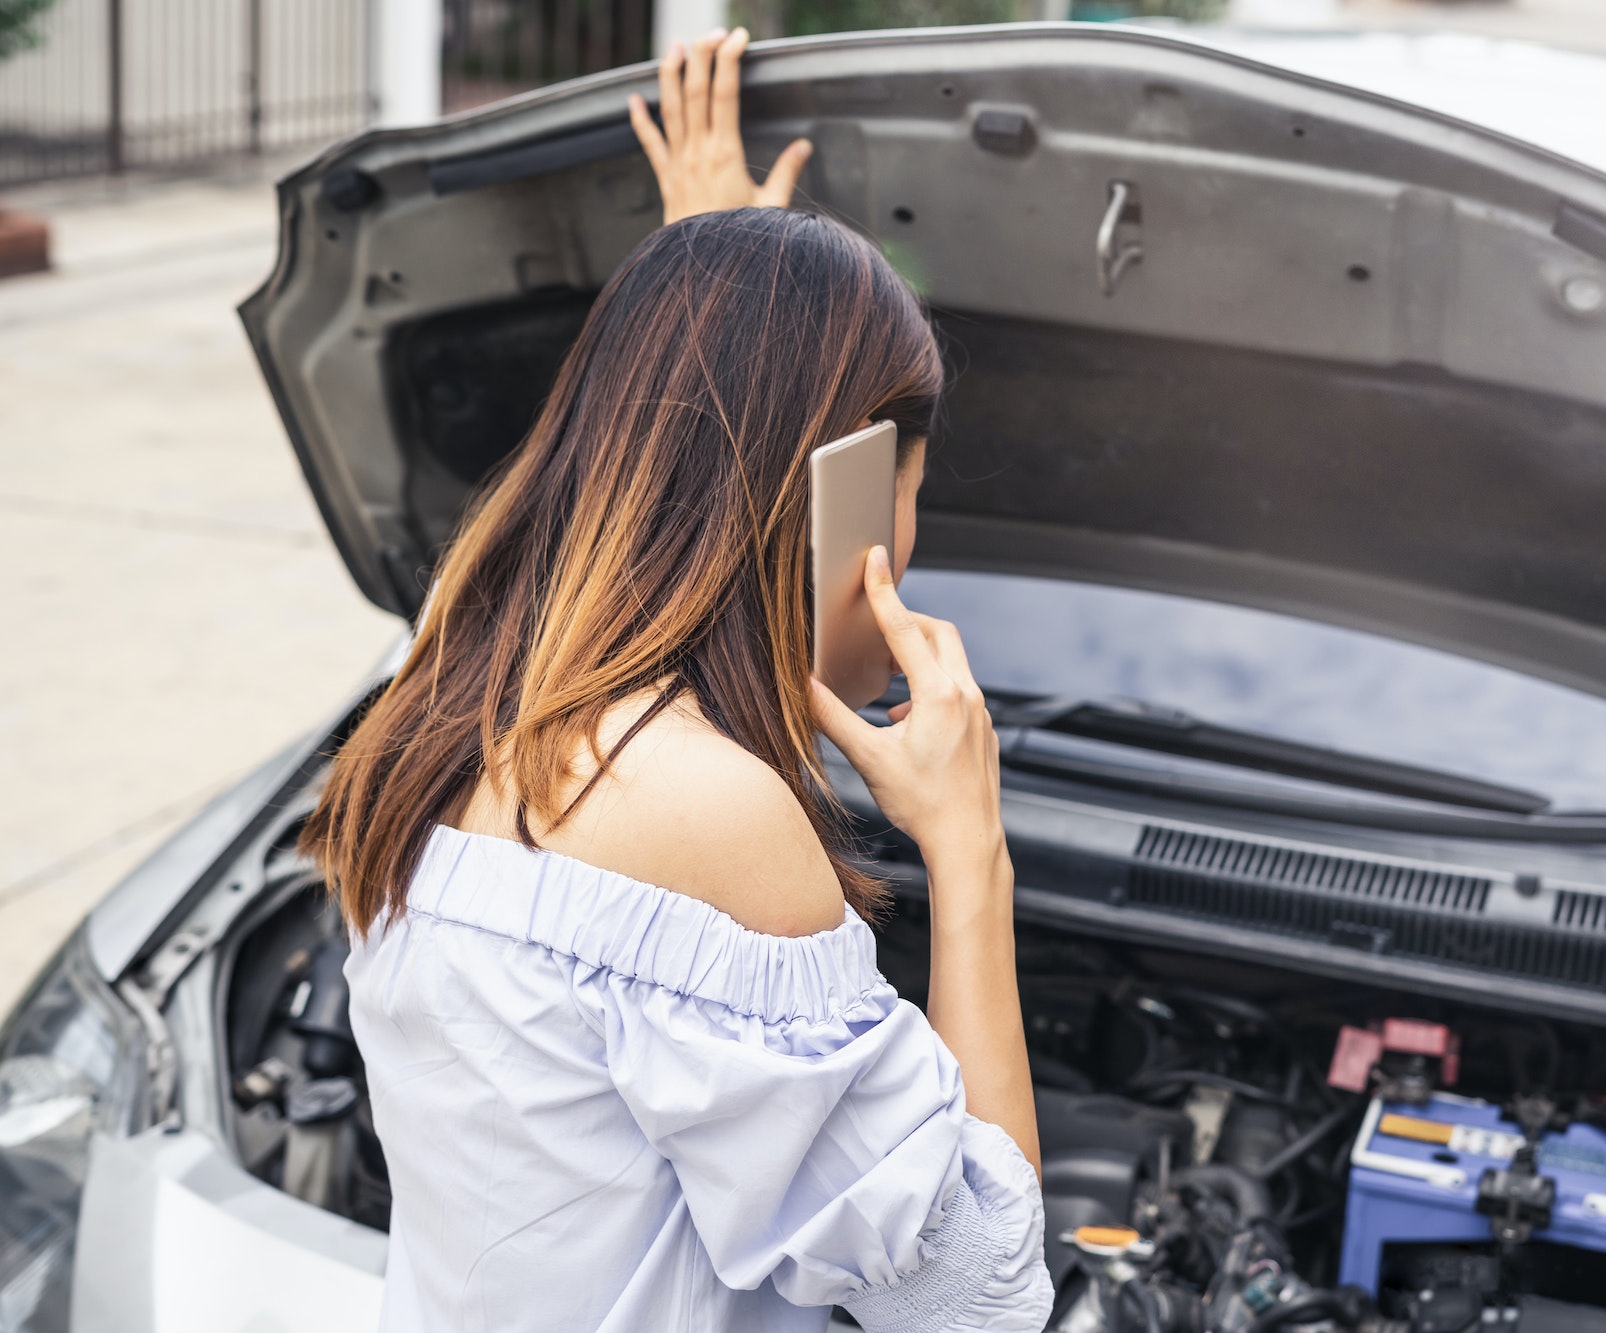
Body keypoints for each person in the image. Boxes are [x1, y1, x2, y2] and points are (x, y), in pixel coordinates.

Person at [302, 28, 1052, 1333]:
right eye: (910, 493)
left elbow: (635, 471)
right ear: (849, 505)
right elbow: (976, 1300)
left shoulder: (439, 680)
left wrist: (714, 291)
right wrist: (968, 847)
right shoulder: (714, 812)